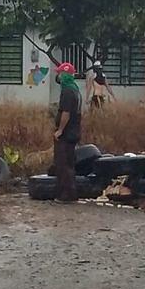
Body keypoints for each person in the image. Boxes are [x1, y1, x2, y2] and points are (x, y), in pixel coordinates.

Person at [53, 62, 82, 203]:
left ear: (64, 75)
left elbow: (66, 113)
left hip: (67, 133)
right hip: (74, 132)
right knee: (69, 164)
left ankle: (66, 196)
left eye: (59, 73)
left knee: (63, 165)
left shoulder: (68, 92)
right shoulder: (75, 89)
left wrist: (60, 130)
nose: (57, 76)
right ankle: (70, 194)